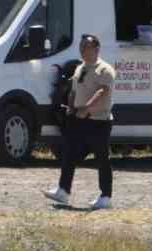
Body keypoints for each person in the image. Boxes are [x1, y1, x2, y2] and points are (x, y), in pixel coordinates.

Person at [43, 33, 113, 210]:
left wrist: (87, 108)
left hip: (98, 120)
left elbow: (103, 92)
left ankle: (105, 197)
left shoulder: (105, 69)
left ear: (96, 49)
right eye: (81, 47)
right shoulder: (81, 68)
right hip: (78, 119)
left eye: (86, 47)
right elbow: (74, 89)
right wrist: (71, 106)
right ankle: (63, 191)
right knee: (69, 154)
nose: (82, 50)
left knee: (102, 159)